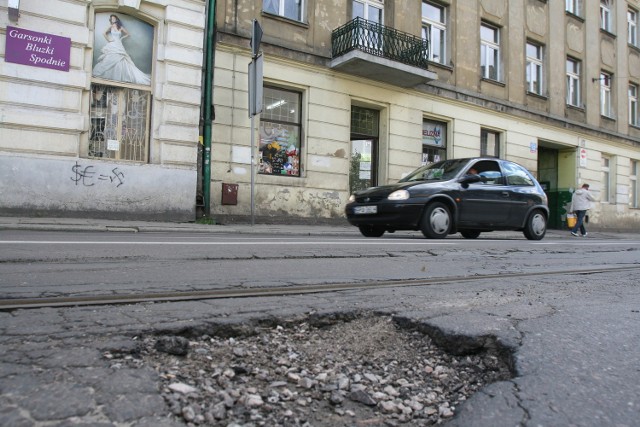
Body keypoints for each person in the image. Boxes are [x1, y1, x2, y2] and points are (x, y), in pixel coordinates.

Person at [92, 14, 151, 85]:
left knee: (121, 58)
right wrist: (109, 40)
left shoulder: (120, 27)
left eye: (114, 18)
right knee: (110, 58)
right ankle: (112, 77)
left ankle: (121, 77)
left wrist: (122, 38)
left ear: (116, 19)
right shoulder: (111, 26)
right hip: (113, 44)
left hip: (119, 44)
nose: (113, 20)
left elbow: (128, 34)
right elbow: (104, 33)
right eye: (112, 19)